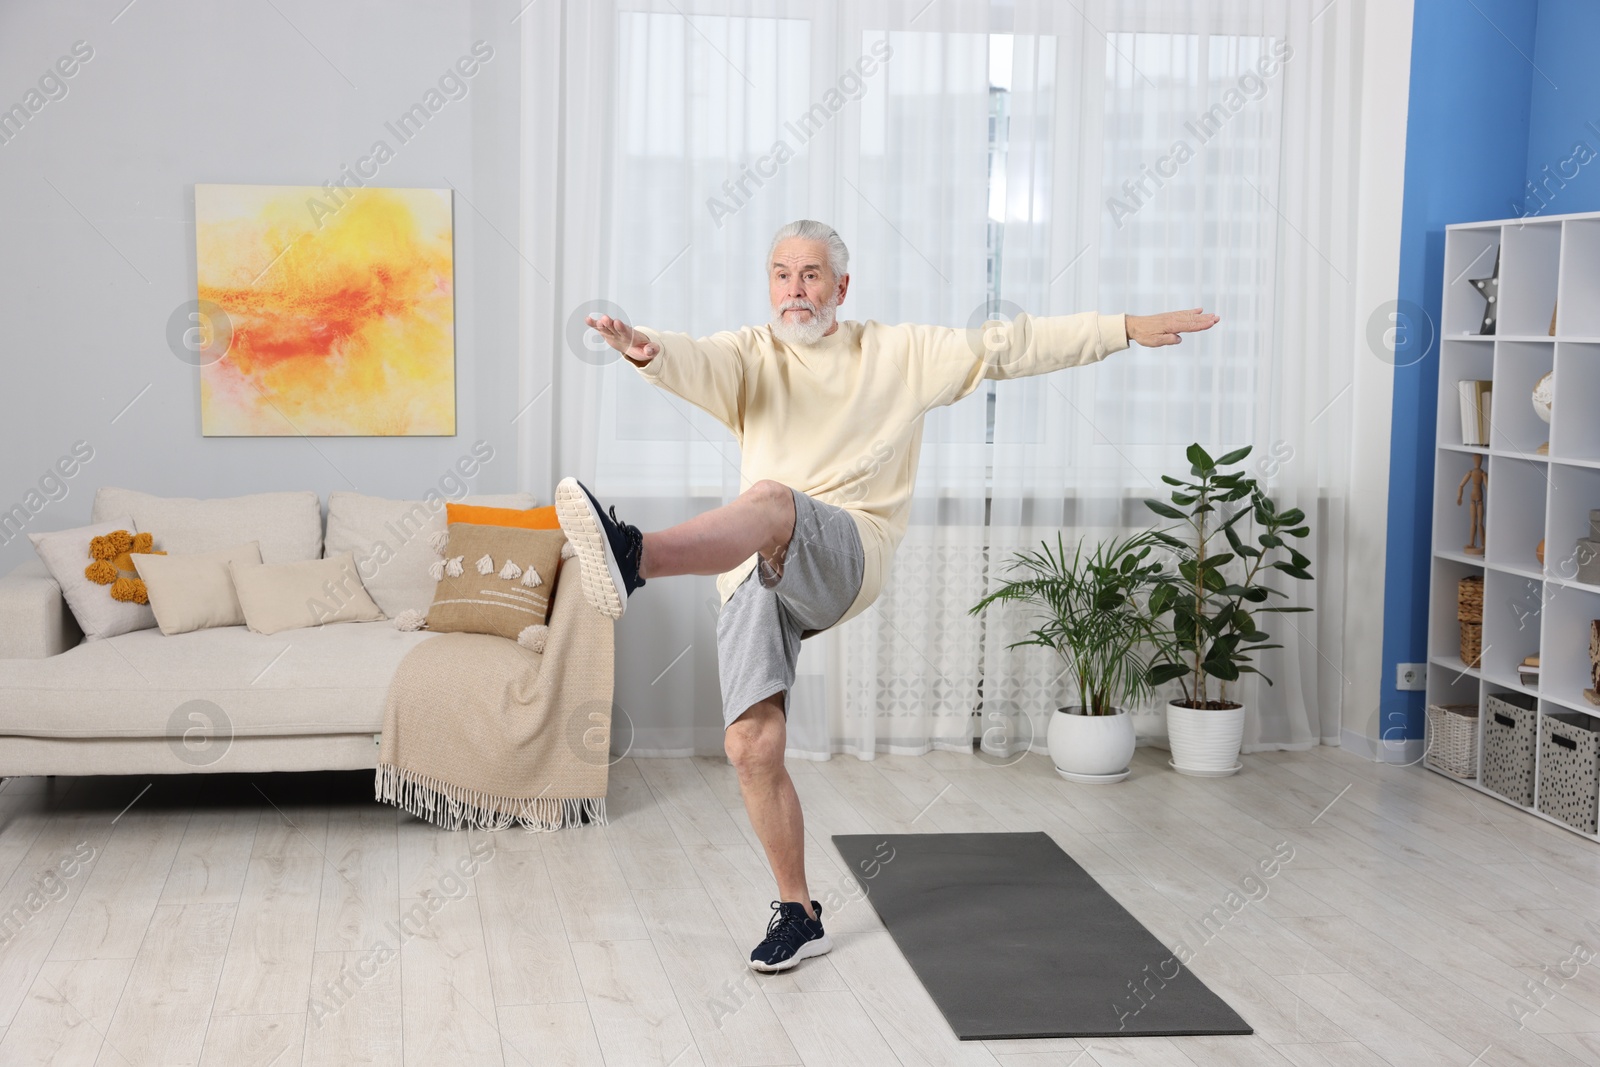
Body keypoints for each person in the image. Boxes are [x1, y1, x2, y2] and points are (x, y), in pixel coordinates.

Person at [555, 219, 1218, 973]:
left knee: (774, 499)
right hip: (755, 570)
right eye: (780, 273)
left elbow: (1009, 346)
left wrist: (1125, 328)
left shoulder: (897, 355)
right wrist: (649, 350)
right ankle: (799, 911)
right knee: (751, 745)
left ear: (842, 287)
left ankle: (633, 555)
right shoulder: (751, 355)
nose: (793, 289)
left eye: (810, 275)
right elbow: (695, 360)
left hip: (847, 548)